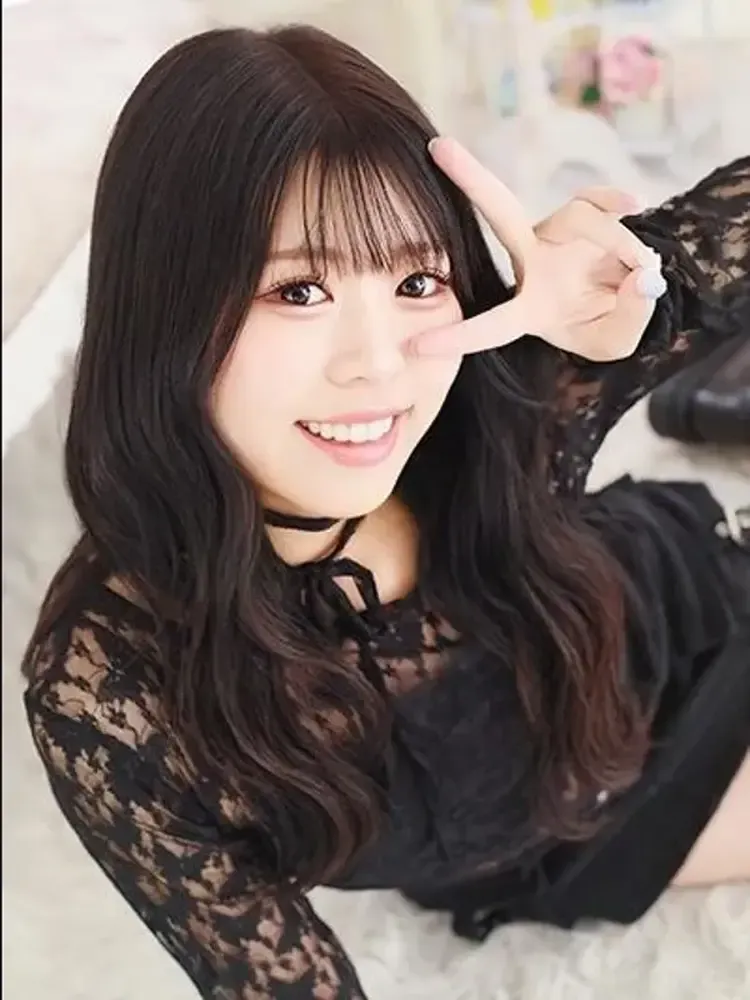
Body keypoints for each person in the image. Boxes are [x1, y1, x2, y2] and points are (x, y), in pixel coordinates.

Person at [21, 25, 749, 1000]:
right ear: (165, 309)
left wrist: (648, 286)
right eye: (299, 289)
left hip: (683, 603)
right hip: (585, 839)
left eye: (415, 280)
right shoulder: (112, 687)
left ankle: (701, 393)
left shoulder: (494, 388)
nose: (379, 364)